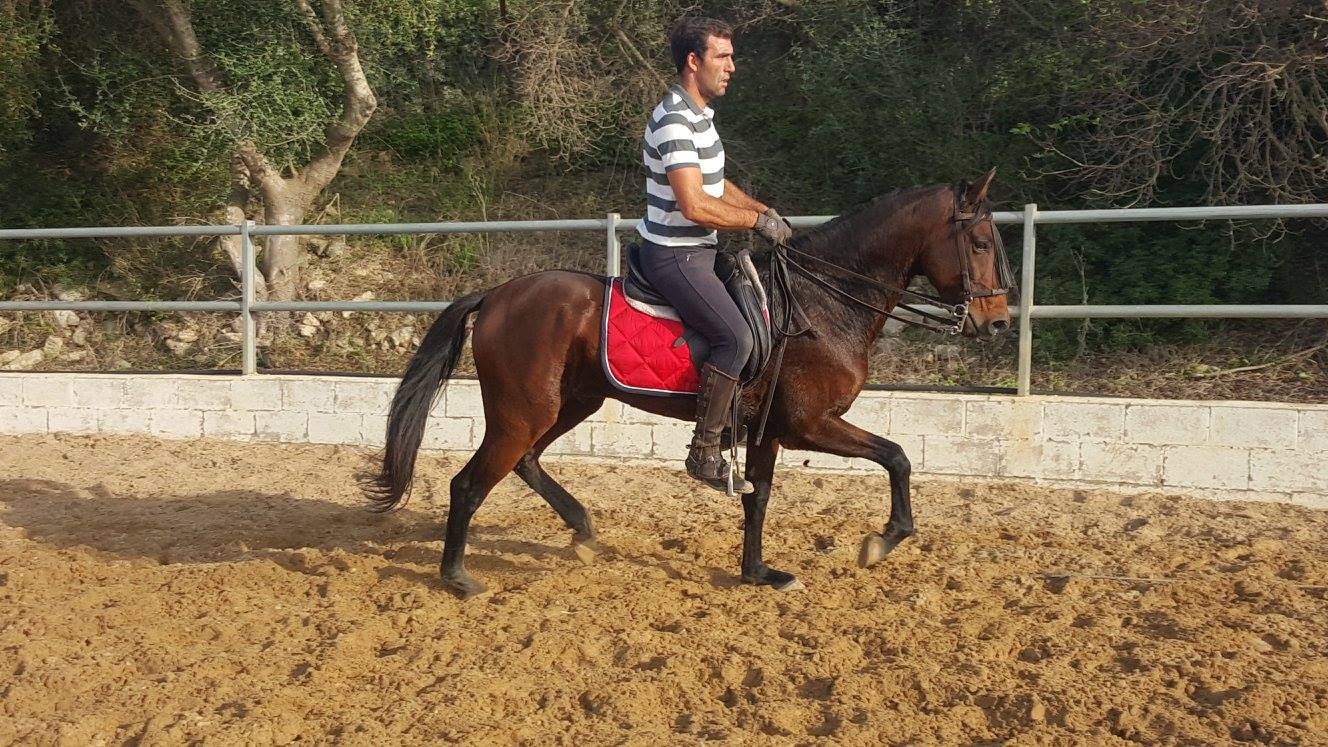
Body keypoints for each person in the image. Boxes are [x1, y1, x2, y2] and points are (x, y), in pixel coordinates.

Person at [637, 16, 793, 494]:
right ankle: (704, 453)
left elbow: (716, 184)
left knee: (762, 318)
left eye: (731, 56)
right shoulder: (673, 120)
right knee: (736, 338)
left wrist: (763, 210)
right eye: (722, 57)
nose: (731, 67)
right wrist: (755, 224)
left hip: (700, 250)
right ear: (693, 61)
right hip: (674, 254)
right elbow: (694, 204)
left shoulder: (700, 116)